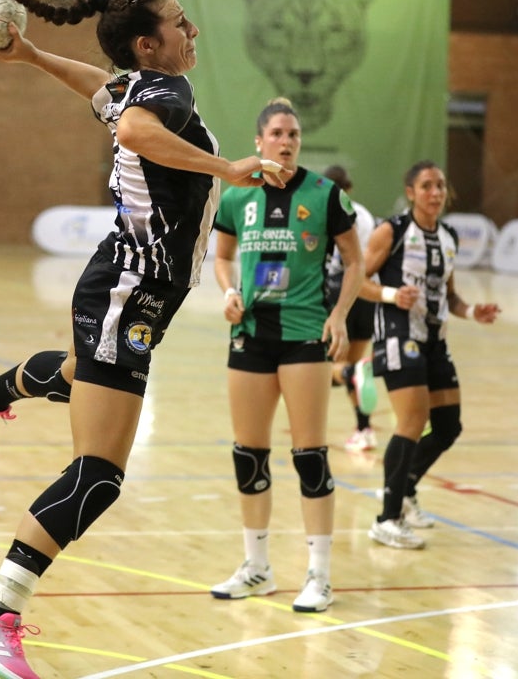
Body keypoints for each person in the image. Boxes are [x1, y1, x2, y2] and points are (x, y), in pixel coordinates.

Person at [0, 0, 279, 679]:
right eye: (182, 24)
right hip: (128, 292)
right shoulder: (165, 95)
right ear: (148, 44)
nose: (194, 34)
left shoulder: (140, 85)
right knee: (98, 473)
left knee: (79, 375)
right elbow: (129, 127)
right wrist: (227, 168)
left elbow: (105, 93)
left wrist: (34, 56)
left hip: (131, 292)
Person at [207, 99, 363, 613]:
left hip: (303, 337)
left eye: (293, 133)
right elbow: (223, 258)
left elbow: (355, 260)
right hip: (250, 334)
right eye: (277, 132)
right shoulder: (237, 197)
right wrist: (228, 293)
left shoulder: (325, 195)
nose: (287, 140)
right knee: (248, 454)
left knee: (310, 456)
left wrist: (338, 314)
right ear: (259, 141)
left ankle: (319, 575)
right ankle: (257, 568)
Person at [361, 160, 500, 549]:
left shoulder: (450, 236)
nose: (435, 193)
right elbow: (357, 279)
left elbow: (449, 296)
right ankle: (386, 519)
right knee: (410, 421)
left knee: (448, 426)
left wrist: (473, 311)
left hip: (435, 338)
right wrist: (391, 294)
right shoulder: (394, 231)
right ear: (411, 192)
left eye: (440, 185)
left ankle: (403, 489)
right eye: (426, 186)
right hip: (397, 334)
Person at [322, 164, 380, 453]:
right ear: (350, 187)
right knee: (356, 365)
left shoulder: (325, 210)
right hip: (366, 296)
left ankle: (312, 430)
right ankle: (364, 429)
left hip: (337, 293)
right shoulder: (366, 215)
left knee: (328, 366)